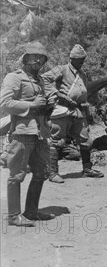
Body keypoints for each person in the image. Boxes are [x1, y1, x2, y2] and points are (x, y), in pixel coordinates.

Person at [0, 42, 57, 226]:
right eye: (34, 57)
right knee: (17, 175)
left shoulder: (40, 80)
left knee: (41, 173)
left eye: (41, 58)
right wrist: (32, 105)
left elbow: (42, 104)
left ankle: (31, 212)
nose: (38, 60)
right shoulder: (14, 77)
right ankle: (13, 216)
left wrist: (48, 106)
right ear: (25, 59)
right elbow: (5, 103)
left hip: (40, 133)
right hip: (22, 133)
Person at [41, 44, 104, 182]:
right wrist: (57, 94)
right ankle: (53, 173)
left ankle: (87, 168)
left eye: (83, 59)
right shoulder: (61, 69)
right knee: (57, 140)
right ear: (72, 59)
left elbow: (83, 94)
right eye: (80, 59)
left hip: (77, 111)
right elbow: (44, 79)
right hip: (62, 110)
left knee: (85, 139)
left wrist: (86, 113)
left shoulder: (82, 74)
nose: (82, 62)